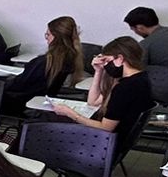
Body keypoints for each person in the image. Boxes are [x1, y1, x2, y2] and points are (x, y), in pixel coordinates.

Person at [51, 36, 154, 167]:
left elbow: (105, 128)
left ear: (120, 58)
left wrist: (72, 114)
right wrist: (98, 71)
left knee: (46, 124)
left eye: (107, 60)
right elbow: (93, 102)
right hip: (116, 145)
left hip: (103, 146)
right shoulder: (141, 78)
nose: (106, 65)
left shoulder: (125, 88)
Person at [1, 16, 84, 116]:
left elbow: (18, 84)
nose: (47, 38)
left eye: (48, 35)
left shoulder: (43, 62)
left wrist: (2, 83)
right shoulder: (69, 59)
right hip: (40, 103)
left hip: (17, 103)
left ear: (56, 37)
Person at [123, 7, 168, 73]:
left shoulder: (146, 44)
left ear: (140, 27)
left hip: (163, 82)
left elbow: (136, 69)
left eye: (133, 29)